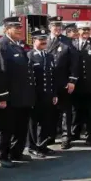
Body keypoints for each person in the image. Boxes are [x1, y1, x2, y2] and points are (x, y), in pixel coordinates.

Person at [0, 16, 36, 168]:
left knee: (21, 127)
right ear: (7, 29)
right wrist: (2, 97)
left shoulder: (17, 45)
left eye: (20, 27)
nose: (19, 30)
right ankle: (2, 155)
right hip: (8, 97)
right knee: (7, 128)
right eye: (16, 28)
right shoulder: (0, 46)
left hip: (22, 96)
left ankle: (17, 152)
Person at [46, 16, 79, 149]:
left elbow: (74, 63)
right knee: (50, 110)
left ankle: (66, 137)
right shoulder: (45, 40)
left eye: (59, 26)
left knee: (65, 110)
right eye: (55, 26)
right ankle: (51, 136)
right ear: (50, 27)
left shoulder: (68, 42)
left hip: (63, 82)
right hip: (48, 82)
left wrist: (72, 81)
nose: (57, 28)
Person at [27, 29, 58, 157]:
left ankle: (43, 145)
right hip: (36, 95)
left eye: (45, 40)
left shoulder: (49, 56)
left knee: (46, 121)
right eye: (41, 40)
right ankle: (33, 146)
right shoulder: (29, 56)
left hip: (48, 95)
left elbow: (53, 77)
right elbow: (28, 79)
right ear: (34, 41)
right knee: (34, 123)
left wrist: (54, 94)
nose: (44, 42)